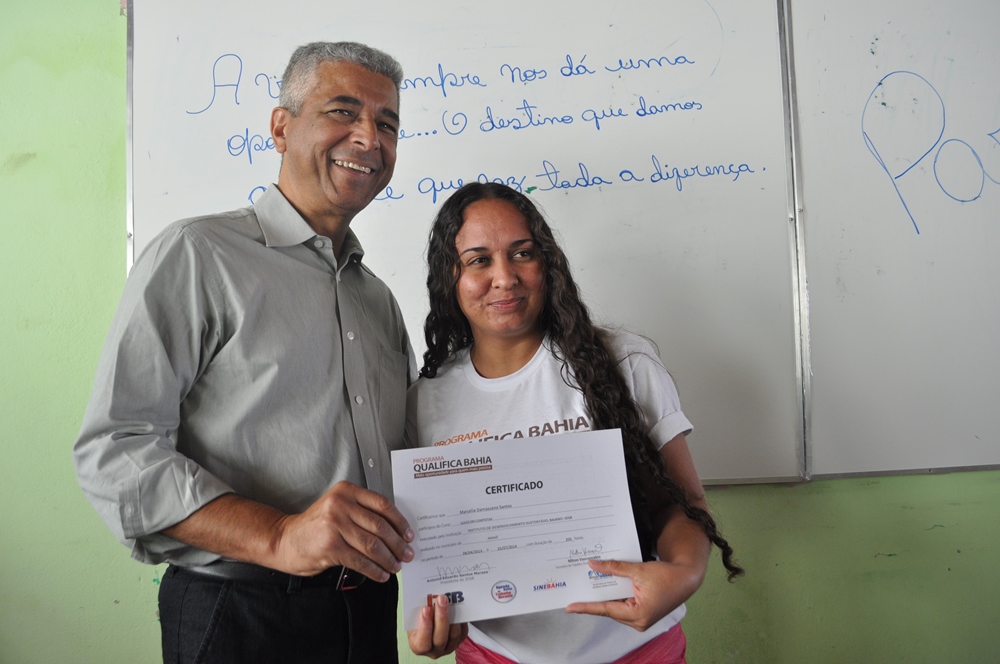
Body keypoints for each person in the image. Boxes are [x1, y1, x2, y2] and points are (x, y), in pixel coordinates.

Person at [73, 42, 417, 663]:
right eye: (343, 112)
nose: (370, 137)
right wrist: (280, 535)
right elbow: (115, 451)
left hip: (368, 612)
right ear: (281, 128)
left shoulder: (379, 300)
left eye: (387, 123)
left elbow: (412, 461)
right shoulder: (198, 255)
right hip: (240, 615)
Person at [405, 182, 743, 664]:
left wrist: (684, 573)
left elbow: (680, 503)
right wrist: (431, 622)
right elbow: (434, 550)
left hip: (637, 651)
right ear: (449, 277)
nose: (505, 277)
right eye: (478, 260)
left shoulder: (621, 363)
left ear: (547, 263)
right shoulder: (424, 402)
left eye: (522, 253)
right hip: (494, 656)